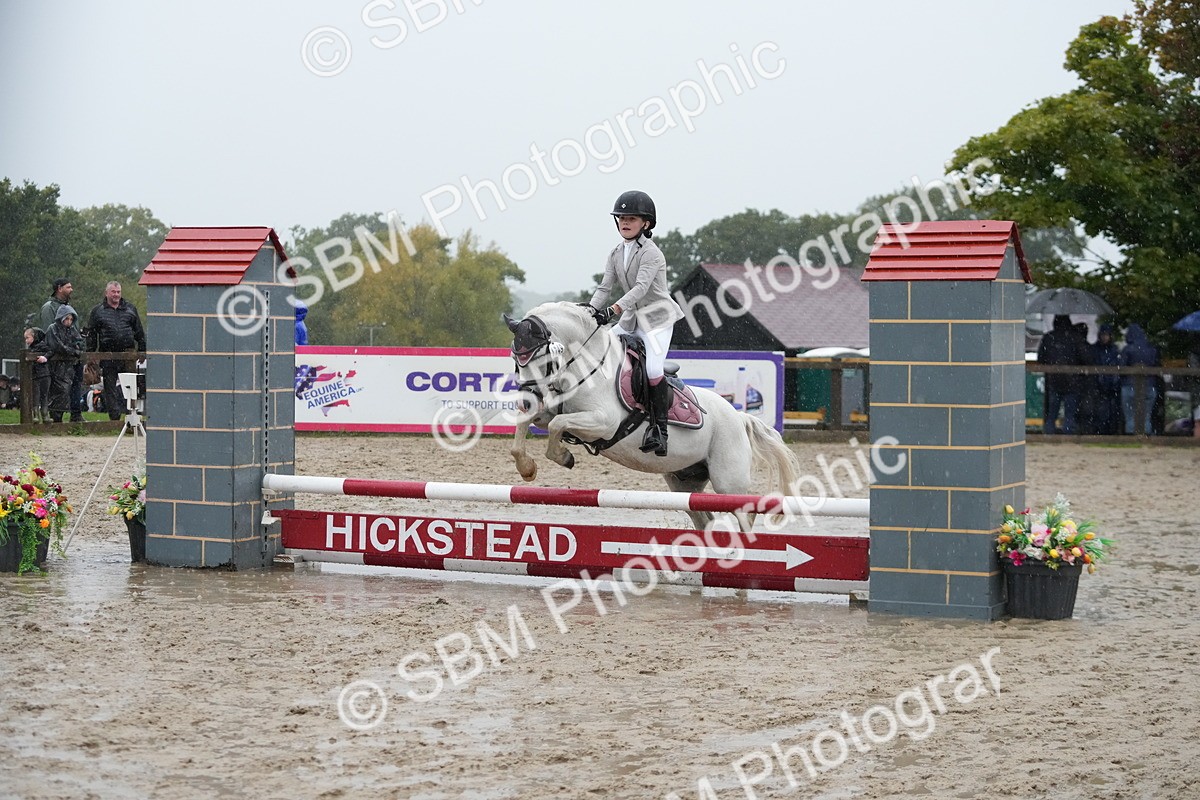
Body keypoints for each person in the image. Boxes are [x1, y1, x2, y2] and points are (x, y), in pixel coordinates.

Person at [586, 190, 685, 456]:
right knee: (601, 350)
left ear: (646, 223)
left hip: (657, 320)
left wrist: (613, 310)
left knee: (653, 369)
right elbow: (604, 287)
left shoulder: (652, 253)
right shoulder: (616, 253)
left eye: (631, 218)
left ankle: (660, 431)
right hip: (631, 320)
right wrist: (591, 311)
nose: (624, 222)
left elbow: (641, 288)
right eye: (621, 218)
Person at [87, 281, 146, 420]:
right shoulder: (98, 311)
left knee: (131, 385)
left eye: (118, 292)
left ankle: (132, 416)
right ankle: (114, 417)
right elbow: (92, 333)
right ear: (106, 293)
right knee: (110, 387)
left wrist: (142, 349)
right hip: (108, 353)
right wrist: (91, 352)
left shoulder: (130, 309)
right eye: (113, 292)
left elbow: (139, 331)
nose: (116, 295)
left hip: (128, 352)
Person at [40, 278, 85, 422]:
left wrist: (78, 347)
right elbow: (50, 333)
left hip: (73, 356)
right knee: (59, 387)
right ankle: (56, 416)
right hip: (58, 357)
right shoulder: (49, 307)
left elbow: (74, 332)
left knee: (76, 384)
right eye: (68, 287)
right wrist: (67, 349)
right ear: (59, 288)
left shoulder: (69, 308)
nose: (71, 289)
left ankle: (76, 414)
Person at [1037, 314, 1090, 434]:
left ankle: (1049, 434)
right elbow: (1085, 357)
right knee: (1070, 413)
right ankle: (1068, 435)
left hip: (1053, 379)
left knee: (1052, 412)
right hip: (1072, 380)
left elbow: (1041, 358)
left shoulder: (1049, 337)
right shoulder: (1075, 338)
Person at [1118, 323, 1159, 435]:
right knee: (1146, 415)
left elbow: (1121, 368)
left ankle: (1132, 436)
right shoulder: (1152, 349)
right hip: (1150, 385)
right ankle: (1145, 435)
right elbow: (1156, 365)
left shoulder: (1128, 349)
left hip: (1129, 385)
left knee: (1130, 416)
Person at [1088, 324, 1122, 435]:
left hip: (1111, 385)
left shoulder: (1114, 350)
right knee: (1100, 412)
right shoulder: (1095, 349)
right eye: (1103, 335)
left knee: (1112, 412)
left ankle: (1110, 432)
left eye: (1106, 335)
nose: (1104, 337)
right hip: (1099, 385)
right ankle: (1101, 432)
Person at [24, 327, 52, 423]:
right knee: (36, 395)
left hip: (44, 374)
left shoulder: (42, 345)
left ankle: (45, 414)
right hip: (35, 375)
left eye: (28, 338)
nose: (26, 341)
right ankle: (35, 415)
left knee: (44, 395)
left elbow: (50, 351)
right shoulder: (30, 349)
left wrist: (45, 358)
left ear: (34, 337)